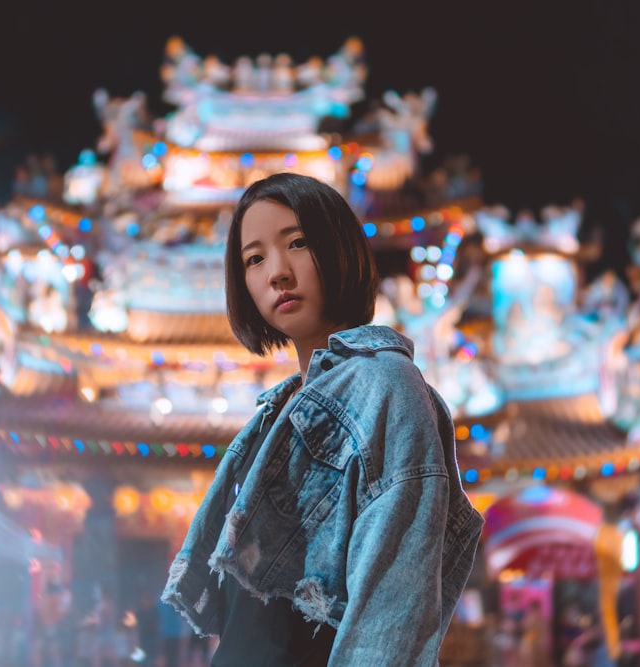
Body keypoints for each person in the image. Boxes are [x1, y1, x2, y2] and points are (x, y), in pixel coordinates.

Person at [161, 172, 485, 665]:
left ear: (338, 248)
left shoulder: (388, 387)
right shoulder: (278, 413)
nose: (277, 273)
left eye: (297, 243)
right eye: (255, 258)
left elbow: (392, 606)